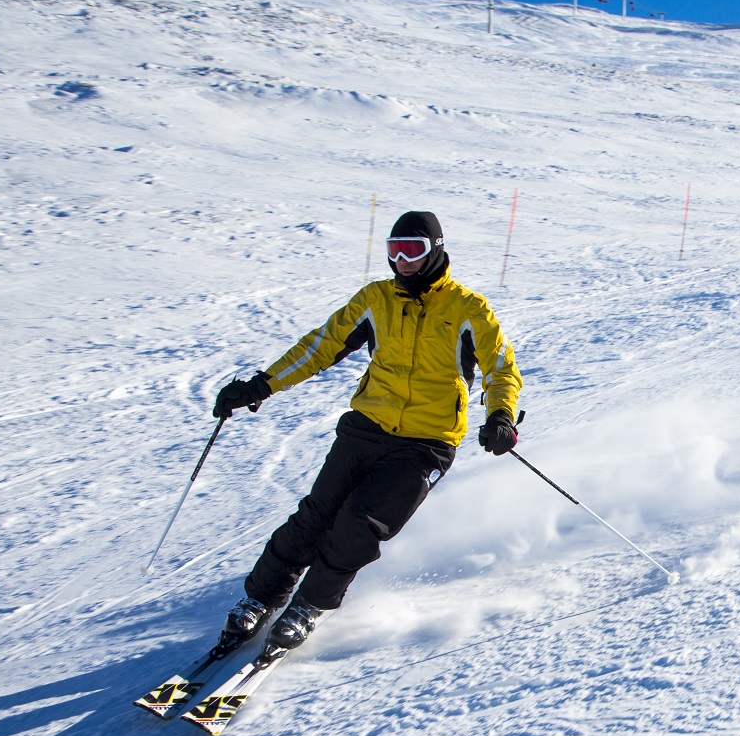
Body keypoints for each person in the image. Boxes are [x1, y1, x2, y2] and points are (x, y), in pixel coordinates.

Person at [209, 210, 524, 656]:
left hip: (427, 442)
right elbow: (321, 345)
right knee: (315, 516)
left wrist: (501, 416)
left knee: (360, 524)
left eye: (412, 250)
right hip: (367, 426)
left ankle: (310, 605)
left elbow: (501, 369)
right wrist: (263, 384)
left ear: (435, 249)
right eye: (394, 250)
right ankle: (260, 598)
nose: (401, 261)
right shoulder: (376, 299)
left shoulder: (469, 309)